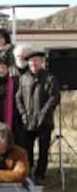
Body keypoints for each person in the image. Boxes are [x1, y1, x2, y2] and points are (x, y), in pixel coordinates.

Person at [15, 51, 60, 182]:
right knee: (26, 149)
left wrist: (43, 114)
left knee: (43, 150)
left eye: (36, 60)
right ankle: (28, 173)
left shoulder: (50, 78)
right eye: (31, 61)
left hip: (44, 121)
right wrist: (23, 113)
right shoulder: (23, 78)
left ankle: (40, 174)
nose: (33, 63)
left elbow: (54, 98)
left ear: (41, 62)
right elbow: (18, 98)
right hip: (27, 121)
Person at [0, 57, 17, 128]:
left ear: (8, 69)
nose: (1, 70)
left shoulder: (14, 82)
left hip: (10, 115)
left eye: (3, 68)